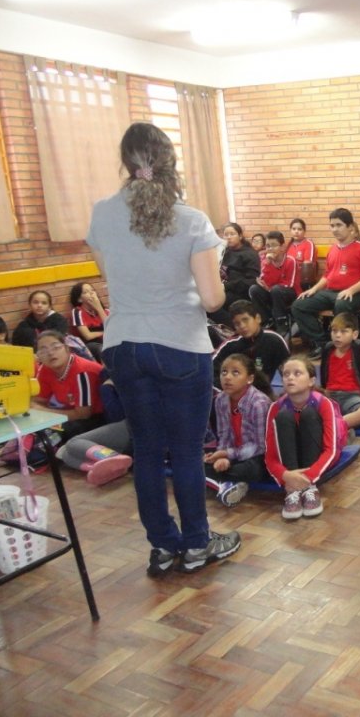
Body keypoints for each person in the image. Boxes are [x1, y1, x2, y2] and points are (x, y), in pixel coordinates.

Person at [86, 121, 240, 577]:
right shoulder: (190, 219)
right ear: (169, 161)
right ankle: (196, 545)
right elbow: (213, 300)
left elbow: (109, 273)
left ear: (126, 161)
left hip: (124, 346)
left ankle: (162, 546)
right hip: (178, 345)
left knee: (148, 452)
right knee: (187, 452)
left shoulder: (102, 212)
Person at [265, 355, 346, 520]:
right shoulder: (276, 407)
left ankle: (310, 489)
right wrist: (286, 476)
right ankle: (292, 491)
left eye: (297, 373)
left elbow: (331, 450)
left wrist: (308, 478)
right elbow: (270, 455)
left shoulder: (324, 403)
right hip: (292, 457)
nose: (290, 378)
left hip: (315, 453)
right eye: (286, 374)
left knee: (309, 413)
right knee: (284, 417)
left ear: (311, 381)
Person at [292, 208, 360, 356]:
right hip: (331, 292)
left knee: (341, 303)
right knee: (299, 305)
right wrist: (314, 289)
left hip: (356, 294)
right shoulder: (333, 249)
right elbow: (327, 276)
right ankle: (323, 343)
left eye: (339, 225)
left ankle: (343, 347)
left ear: (350, 227)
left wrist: (350, 290)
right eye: (332, 225)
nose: (335, 229)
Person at [204, 354, 273, 508]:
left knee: (251, 470)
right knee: (199, 462)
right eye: (224, 372)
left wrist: (228, 455)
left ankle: (221, 482)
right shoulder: (221, 399)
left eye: (235, 373)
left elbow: (260, 446)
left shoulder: (259, 403)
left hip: (258, 455)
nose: (227, 377)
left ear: (249, 379)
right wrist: (221, 456)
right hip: (233, 453)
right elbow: (223, 435)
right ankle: (227, 484)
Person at [32, 331, 106, 443]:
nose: (50, 353)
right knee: (35, 429)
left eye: (56, 347)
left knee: (53, 434)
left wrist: (44, 412)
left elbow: (83, 415)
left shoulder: (82, 372)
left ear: (67, 348)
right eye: (43, 350)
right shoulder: (46, 369)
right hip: (69, 413)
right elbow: (38, 401)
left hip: (97, 419)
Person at [318, 311, 360, 428]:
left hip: (352, 396)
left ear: (354, 334)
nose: (338, 335)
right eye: (334, 331)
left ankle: (333, 426)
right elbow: (324, 375)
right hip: (329, 395)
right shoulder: (328, 349)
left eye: (344, 331)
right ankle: (336, 421)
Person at [212, 300, 290, 387]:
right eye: (237, 324)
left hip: (264, 394)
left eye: (245, 320)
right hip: (235, 394)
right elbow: (209, 371)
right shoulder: (230, 345)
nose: (242, 326)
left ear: (258, 318)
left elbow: (289, 370)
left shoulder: (274, 340)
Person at [248, 230, 300, 330]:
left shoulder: (290, 260)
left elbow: (290, 284)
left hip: (290, 293)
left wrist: (270, 288)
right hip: (272, 291)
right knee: (254, 289)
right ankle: (266, 320)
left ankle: (281, 321)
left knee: (276, 290)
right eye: (267, 246)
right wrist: (267, 264)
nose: (270, 249)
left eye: (274, 245)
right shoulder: (266, 261)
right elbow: (264, 282)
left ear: (282, 247)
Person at [210, 221, 260, 322]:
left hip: (239, 292)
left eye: (232, 234)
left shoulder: (249, 254)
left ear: (240, 236)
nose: (228, 237)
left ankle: (236, 329)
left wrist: (226, 286)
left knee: (213, 305)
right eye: (226, 235)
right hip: (224, 288)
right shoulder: (225, 252)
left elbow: (251, 280)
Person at [68, 281, 109, 362]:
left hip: (107, 341)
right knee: (102, 349)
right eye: (86, 292)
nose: (91, 293)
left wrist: (99, 308)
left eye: (92, 290)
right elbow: (88, 336)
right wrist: (105, 332)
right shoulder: (77, 312)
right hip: (90, 345)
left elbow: (112, 330)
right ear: (80, 299)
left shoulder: (106, 311)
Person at [285, 217, 316, 289]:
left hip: (302, 281)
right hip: (287, 279)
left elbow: (307, 265)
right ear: (290, 230)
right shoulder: (288, 245)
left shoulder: (308, 244)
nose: (296, 231)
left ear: (304, 231)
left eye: (299, 229)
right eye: (294, 229)